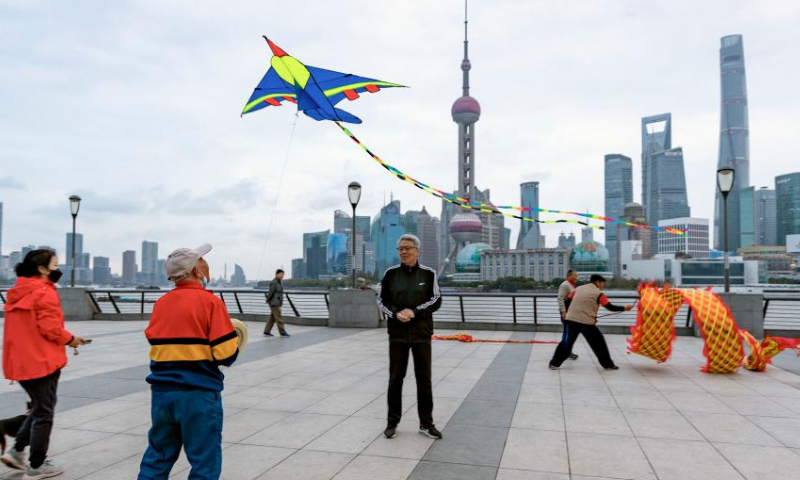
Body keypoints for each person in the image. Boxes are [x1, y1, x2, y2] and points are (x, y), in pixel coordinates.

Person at [138, 244, 239, 480]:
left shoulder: (161, 304)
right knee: (205, 461)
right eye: (202, 259)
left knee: (158, 455)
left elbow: (155, 339)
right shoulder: (210, 302)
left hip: (162, 394)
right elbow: (225, 353)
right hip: (199, 393)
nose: (206, 263)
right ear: (196, 270)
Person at [1, 249, 88, 478]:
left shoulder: (19, 291)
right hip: (41, 362)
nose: (57, 269)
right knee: (44, 413)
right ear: (42, 268)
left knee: (40, 408)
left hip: (21, 364)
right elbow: (50, 328)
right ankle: (37, 464)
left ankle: (18, 450)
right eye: (55, 265)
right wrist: (71, 340)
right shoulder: (43, 292)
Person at [378, 234, 442, 440]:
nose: (403, 252)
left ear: (417, 250)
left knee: (424, 380)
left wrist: (414, 312)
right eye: (400, 249)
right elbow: (382, 300)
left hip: (421, 334)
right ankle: (392, 422)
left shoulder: (429, 274)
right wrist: (396, 313)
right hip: (397, 334)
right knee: (395, 379)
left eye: (407, 248)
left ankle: (426, 423)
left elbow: (436, 299)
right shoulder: (390, 274)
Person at [548, 274, 632, 371]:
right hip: (586, 323)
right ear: (597, 282)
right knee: (599, 344)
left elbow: (567, 302)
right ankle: (608, 365)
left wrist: (567, 313)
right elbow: (610, 307)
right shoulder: (599, 293)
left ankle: (554, 363)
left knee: (566, 343)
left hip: (571, 320)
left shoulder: (578, 289)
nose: (602, 285)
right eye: (602, 283)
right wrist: (625, 308)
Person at [557, 270, 580, 361]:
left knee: (570, 333)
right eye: (575, 275)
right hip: (566, 313)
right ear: (569, 276)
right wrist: (563, 312)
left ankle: (568, 351)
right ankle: (564, 352)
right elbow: (560, 299)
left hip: (572, 313)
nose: (576, 277)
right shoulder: (565, 285)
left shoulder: (571, 285)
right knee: (567, 333)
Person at [263, 269, 288, 337]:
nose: (282, 276)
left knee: (272, 318)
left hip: (277, 302)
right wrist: (267, 300)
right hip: (274, 303)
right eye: (280, 274)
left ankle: (266, 331)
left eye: (283, 274)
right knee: (279, 318)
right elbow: (271, 292)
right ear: (276, 274)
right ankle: (282, 332)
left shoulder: (279, 282)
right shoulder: (274, 282)